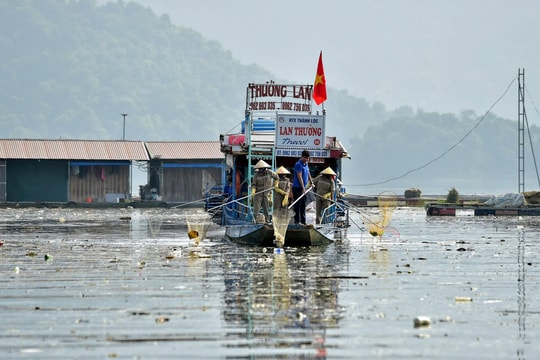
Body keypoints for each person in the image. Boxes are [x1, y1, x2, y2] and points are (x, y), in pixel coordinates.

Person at [292, 150, 313, 225]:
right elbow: (299, 176)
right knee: (297, 204)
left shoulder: (306, 164)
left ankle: (303, 221)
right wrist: (303, 189)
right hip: (297, 187)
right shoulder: (298, 164)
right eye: (305, 158)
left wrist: (311, 181)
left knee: (303, 205)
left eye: (307, 158)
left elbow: (308, 173)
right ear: (302, 157)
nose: (306, 159)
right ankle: (297, 221)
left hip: (304, 187)